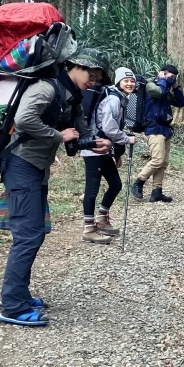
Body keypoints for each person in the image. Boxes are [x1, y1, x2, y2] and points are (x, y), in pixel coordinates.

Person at [0, 50, 113, 327]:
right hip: (21, 165)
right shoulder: (46, 88)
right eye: (91, 75)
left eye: (97, 79)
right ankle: (12, 306)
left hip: (36, 168)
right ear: (74, 66)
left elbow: (79, 137)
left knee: (33, 234)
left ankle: (18, 295)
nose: (93, 81)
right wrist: (58, 135)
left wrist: (98, 143)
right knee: (28, 236)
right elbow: (24, 120)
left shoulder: (72, 99)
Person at [81, 66, 137, 243]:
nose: (129, 83)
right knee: (92, 189)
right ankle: (88, 228)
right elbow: (109, 127)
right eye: (126, 80)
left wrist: (116, 153)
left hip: (104, 149)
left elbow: (112, 128)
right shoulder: (113, 99)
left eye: (132, 81)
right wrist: (127, 139)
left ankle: (101, 219)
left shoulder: (119, 98)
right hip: (94, 148)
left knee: (115, 184)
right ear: (118, 82)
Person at [132, 63, 184, 202]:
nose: (172, 79)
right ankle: (139, 182)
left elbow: (181, 102)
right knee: (157, 160)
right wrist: (162, 79)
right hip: (153, 128)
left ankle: (157, 191)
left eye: (174, 77)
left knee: (164, 162)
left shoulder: (166, 89)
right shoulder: (151, 85)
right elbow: (158, 92)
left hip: (165, 129)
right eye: (170, 76)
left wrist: (175, 87)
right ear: (162, 73)